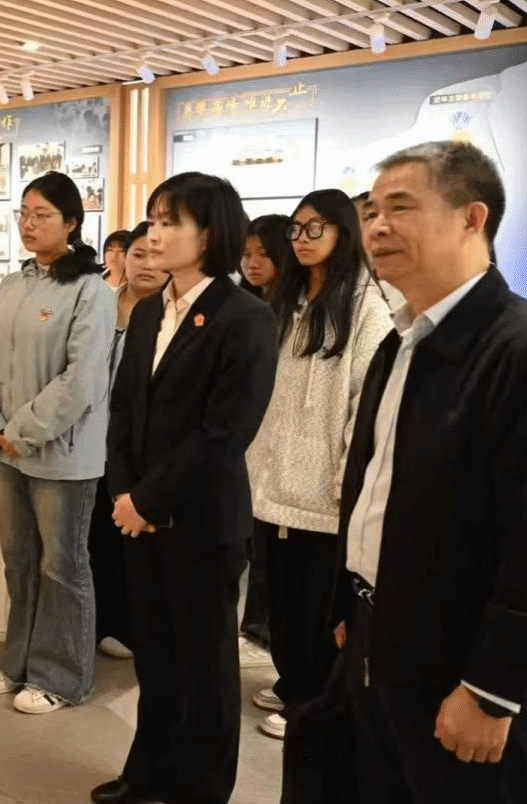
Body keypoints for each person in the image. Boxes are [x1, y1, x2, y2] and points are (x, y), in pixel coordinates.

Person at [322, 140, 527, 802]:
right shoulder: (401, 342)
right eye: (371, 212)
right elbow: (376, 489)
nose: (376, 227)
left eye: (400, 207)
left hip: (464, 671)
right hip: (379, 642)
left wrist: (495, 688)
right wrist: (352, 605)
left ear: (471, 218)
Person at [94, 172, 278, 804]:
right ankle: (148, 773)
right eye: (153, 219)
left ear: (211, 232)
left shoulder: (247, 317)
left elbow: (224, 433)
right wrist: (124, 495)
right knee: (156, 660)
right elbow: (124, 410)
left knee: (206, 671)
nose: (155, 233)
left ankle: (200, 791)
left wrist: (148, 500)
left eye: (171, 221)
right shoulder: (149, 310)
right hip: (138, 517)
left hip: (202, 524)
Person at [245, 191, 393, 741]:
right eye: (297, 229)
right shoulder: (286, 300)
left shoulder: (366, 307)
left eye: (316, 228)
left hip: (325, 494)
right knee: (281, 601)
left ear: (342, 233)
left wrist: (344, 483)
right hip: (275, 480)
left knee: (318, 607)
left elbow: (364, 406)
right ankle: (292, 682)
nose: (303, 240)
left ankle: (313, 699)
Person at [0, 172, 112, 715]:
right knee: (19, 558)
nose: (29, 224)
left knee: (63, 565)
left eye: (42, 215)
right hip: (7, 451)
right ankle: (19, 662)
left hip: (62, 455)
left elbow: (82, 379)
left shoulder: (91, 290)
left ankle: (62, 676)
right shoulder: (12, 285)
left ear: (71, 223)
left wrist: (19, 431)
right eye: (24, 213)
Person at [87, 221, 165, 661]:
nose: (147, 264)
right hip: (91, 443)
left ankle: (128, 626)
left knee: (132, 542)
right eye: (138, 254)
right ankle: (96, 621)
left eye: (156, 255)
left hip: (140, 451)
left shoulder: (170, 317)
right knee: (94, 537)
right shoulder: (100, 304)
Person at [237, 213, 293, 649]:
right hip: (243, 437)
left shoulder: (292, 310)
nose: (252, 263)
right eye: (246, 254)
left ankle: (264, 626)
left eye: (263, 254)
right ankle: (253, 622)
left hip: (277, 438)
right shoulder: (241, 306)